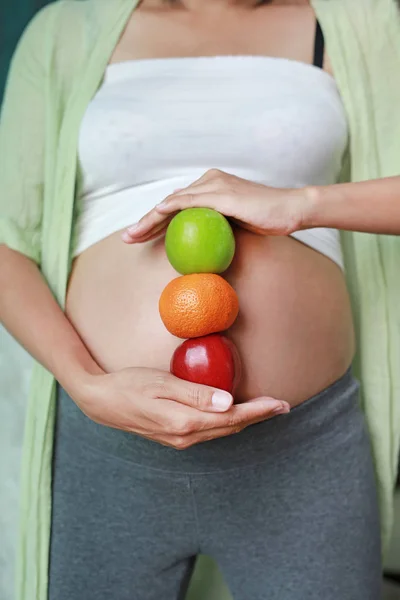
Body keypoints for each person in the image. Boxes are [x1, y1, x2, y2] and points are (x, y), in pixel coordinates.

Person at [0, 0, 399, 599]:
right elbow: (6, 241)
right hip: (111, 448)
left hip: (303, 448)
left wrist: (302, 204)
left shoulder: (361, 19)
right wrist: (84, 384)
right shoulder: (66, 28)